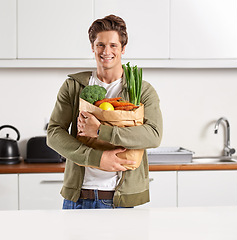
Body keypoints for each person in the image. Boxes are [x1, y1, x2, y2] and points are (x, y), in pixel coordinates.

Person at [47, 14, 162, 209]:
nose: (106, 51)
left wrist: (100, 131)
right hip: (78, 199)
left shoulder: (142, 90)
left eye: (113, 45)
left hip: (120, 201)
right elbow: (53, 134)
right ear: (92, 47)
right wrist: (97, 159)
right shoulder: (73, 87)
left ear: (123, 49)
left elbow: (154, 136)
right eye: (100, 45)